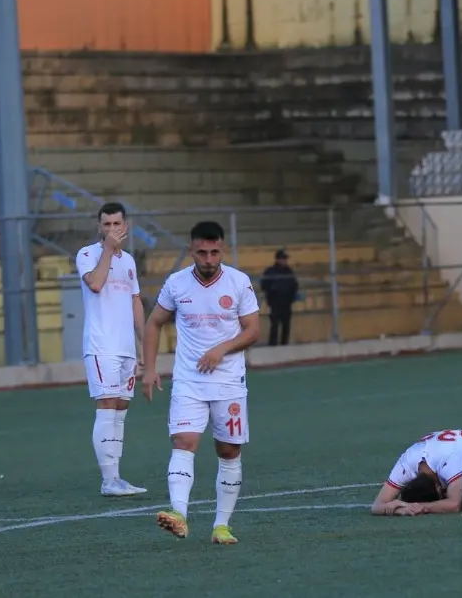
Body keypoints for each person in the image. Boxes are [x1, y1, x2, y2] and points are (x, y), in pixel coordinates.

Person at [141, 221, 261, 545]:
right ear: (191, 249)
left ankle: (221, 526)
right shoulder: (177, 284)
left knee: (229, 450)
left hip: (228, 382)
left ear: (222, 249)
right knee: (184, 441)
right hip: (189, 381)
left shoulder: (238, 282)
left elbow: (252, 330)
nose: (208, 259)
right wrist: (149, 368)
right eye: (202, 252)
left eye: (214, 252)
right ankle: (178, 513)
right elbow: (154, 324)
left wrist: (221, 349)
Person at [77, 201, 147, 498]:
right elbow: (94, 284)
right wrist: (107, 250)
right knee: (106, 407)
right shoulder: (87, 254)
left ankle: (116, 477)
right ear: (99, 227)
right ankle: (108, 481)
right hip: (101, 345)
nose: (112, 229)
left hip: (126, 348)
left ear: (125, 226)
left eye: (116, 224)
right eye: (106, 225)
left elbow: (135, 302)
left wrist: (144, 346)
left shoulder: (129, 261)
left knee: (120, 410)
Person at [258, 249, 298, 347]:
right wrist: (271, 293)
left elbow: (294, 285)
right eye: (282, 258)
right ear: (277, 259)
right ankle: (273, 345)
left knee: (286, 325)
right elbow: (264, 285)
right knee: (275, 325)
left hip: (286, 302)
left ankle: (284, 344)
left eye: (285, 259)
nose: (284, 261)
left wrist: (291, 297)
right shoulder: (270, 271)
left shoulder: (288, 271)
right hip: (275, 302)